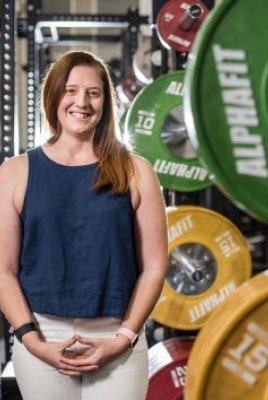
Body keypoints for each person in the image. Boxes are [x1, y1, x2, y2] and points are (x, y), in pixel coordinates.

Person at [0, 50, 168, 399]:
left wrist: (124, 337)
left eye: (94, 92)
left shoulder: (137, 172)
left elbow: (154, 266)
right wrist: (32, 341)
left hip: (117, 338)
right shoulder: (14, 172)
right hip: (43, 337)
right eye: (71, 90)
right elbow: (3, 270)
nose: (82, 102)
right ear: (54, 97)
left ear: (106, 102)